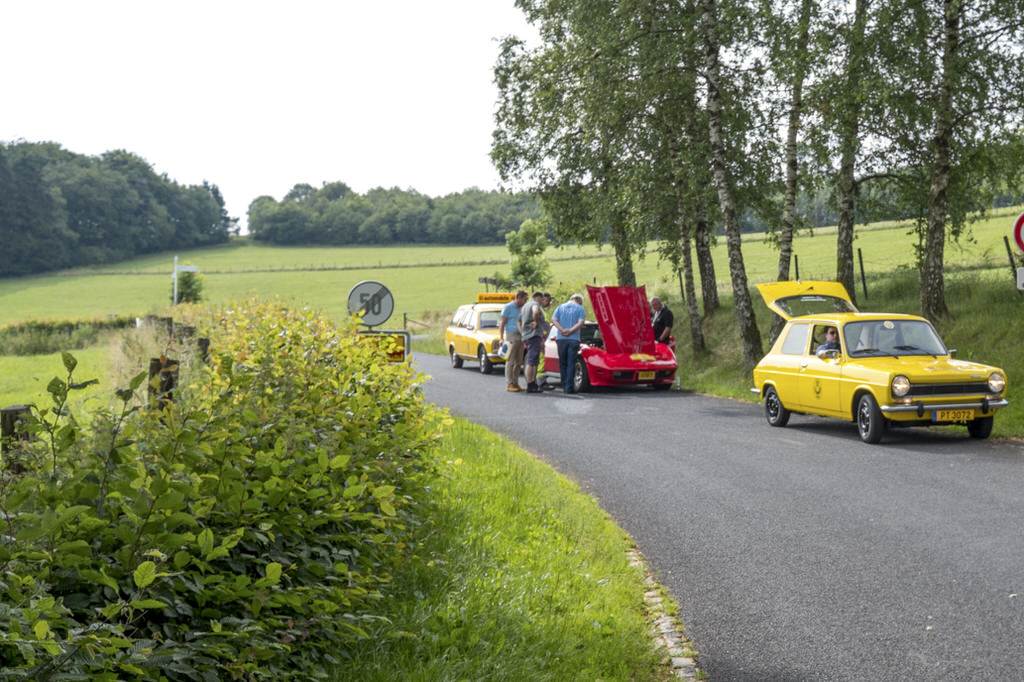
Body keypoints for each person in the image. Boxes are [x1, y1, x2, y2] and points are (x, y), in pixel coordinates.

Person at [551, 293, 586, 393]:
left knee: (562, 362)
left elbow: (554, 320)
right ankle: (569, 387)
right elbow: (581, 322)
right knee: (571, 363)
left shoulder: (560, 307)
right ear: (579, 301)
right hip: (573, 339)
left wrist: (562, 329)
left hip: (561, 338)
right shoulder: (580, 309)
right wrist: (570, 331)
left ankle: (564, 384)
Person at [499, 290, 529, 392]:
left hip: (521, 335)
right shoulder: (508, 307)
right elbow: (502, 323)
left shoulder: (523, 308)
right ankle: (509, 383)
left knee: (518, 361)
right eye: (525, 299)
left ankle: (515, 382)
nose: (526, 301)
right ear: (519, 298)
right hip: (511, 335)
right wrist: (501, 338)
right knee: (510, 360)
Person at [518, 292, 546, 393]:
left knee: (534, 360)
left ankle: (533, 383)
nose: (542, 301)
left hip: (527, 335)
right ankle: (530, 383)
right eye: (541, 299)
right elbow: (536, 311)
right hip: (534, 335)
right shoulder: (534, 304)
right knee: (531, 360)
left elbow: (519, 321)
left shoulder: (524, 306)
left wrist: (523, 333)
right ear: (537, 297)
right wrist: (536, 322)